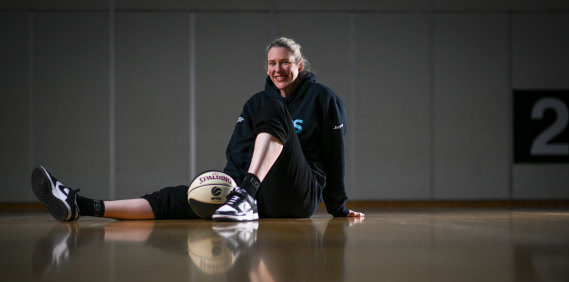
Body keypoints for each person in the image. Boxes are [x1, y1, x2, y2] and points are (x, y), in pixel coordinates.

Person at [31, 37, 364, 222]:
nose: (277, 69)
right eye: (272, 63)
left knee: (273, 107)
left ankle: (243, 197)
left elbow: (335, 154)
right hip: (257, 199)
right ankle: (81, 204)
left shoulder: (322, 98)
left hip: (299, 196)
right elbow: (237, 153)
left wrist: (337, 206)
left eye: (285, 63)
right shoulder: (256, 104)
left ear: (299, 65)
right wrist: (223, 190)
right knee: (178, 197)